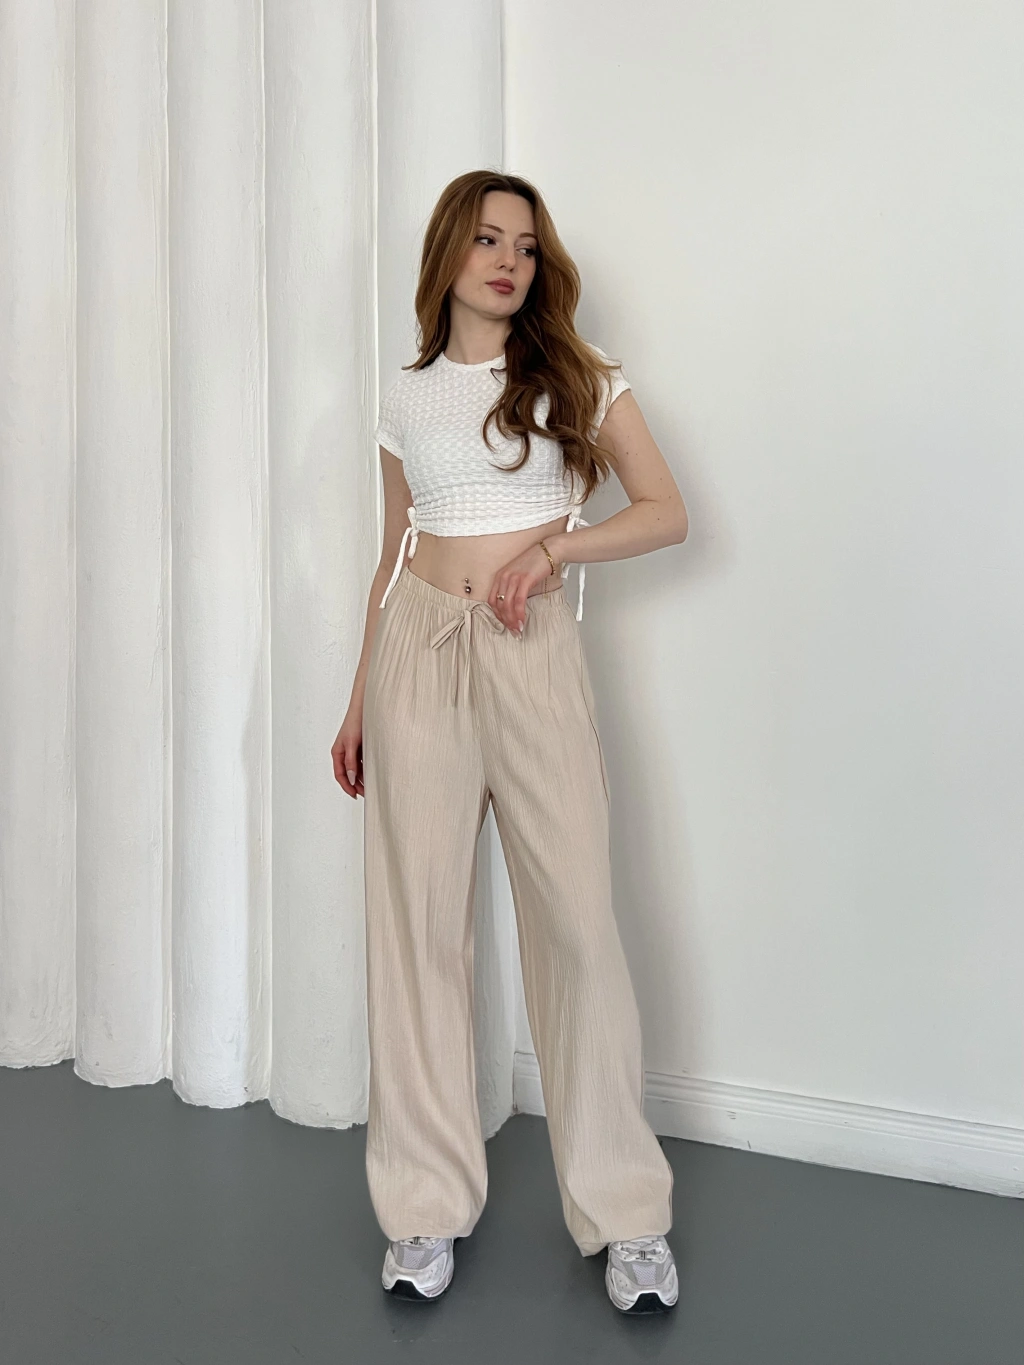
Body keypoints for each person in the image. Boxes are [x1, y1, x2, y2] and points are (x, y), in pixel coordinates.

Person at [331, 170, 689, 1315]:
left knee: (578, 928)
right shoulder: (404, 397)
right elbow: (393, 551)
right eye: (487, 241)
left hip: (530, 655)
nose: (508, 263)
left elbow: (665, 512)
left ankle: (626, 1216)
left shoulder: (577, 377)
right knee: (417, 933)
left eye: (526, 248)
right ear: (447, 252)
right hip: (415, 655)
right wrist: (357, 700)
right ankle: (422, 1207)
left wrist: (553, 553)